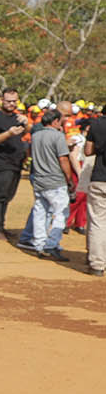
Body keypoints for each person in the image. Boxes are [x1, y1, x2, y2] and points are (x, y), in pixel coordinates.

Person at [17, 108, 76, 261]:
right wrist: (69, 180)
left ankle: (39, 244)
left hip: (39, 179)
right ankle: (51, 245)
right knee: (61, 213)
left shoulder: (36, 135)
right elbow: (63, 159)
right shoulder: (58, 136)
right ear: (55, 121)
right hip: (55, 181)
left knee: (40, 211)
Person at [0, 89, 29, 237]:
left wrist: (26, 124)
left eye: (14, 101)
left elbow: (29, 132)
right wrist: (8, 134)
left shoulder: (17, 118)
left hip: (15, 164)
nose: (11, 104)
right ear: (2, 100)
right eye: (8, 101)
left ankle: (1, 226)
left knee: (7, 196)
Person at [85, 109, 106, 276]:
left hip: (100, 178)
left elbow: (88, 151)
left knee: (98, 223)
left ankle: (97, 264)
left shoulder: (96, 124)